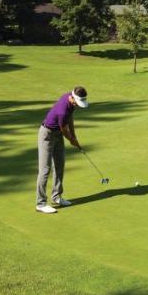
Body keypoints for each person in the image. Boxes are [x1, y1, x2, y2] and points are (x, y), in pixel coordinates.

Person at [36, 86, 88, 214]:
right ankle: (41, 203)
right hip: (47, 135)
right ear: (73, 98)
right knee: (45, 169)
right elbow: (64, 129)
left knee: (60, 164)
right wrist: (71, 139)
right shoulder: (63, 110)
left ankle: (56, 197)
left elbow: (70, 119)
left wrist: (74, 136)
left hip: (57, 134)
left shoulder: (70, 100)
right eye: (78, 103)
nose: (78, 106)